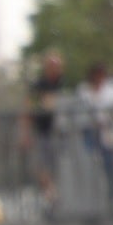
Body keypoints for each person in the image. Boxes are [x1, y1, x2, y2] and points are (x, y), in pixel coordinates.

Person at [79, 62, 113, 215]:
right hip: (94, 136)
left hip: (112, 134)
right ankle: (107, 201)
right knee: (104, 170)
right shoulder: (84, 91)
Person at [23, 49, 68, 211]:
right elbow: (28, 108)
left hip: (64, 133)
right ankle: (51, 195)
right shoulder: (38, 85)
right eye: (52, 65)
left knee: (62, 166)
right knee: (42, 168)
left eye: (58, 65)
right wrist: (26, 134)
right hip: (44, 132)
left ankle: (61, 198)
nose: (55, 69)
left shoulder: (65, 84)